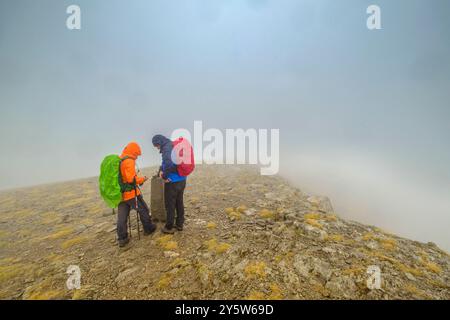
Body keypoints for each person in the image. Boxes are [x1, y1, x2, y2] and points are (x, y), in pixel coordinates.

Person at [117, 142, 156, 247]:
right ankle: (148, 229)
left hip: (121, 194)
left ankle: (122, 238)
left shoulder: (120, 159)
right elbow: (131, 179)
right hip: (131, 194)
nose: (137, 157)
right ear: (133, 152)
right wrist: (143, 179)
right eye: (137, 154)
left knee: (122, 217)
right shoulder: (129, 161)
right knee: (143, 209)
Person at [152, 135, 187, 234]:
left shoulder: (167, 148)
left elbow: (169, 163)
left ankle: (169, 227)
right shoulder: (172, 145)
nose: (157, 148)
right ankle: (180, 224)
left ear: (159, 142)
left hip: (172, 181)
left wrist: (164, 176)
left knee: (170, 205)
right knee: (179, 202)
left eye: (156, 145)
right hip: (182, 179)